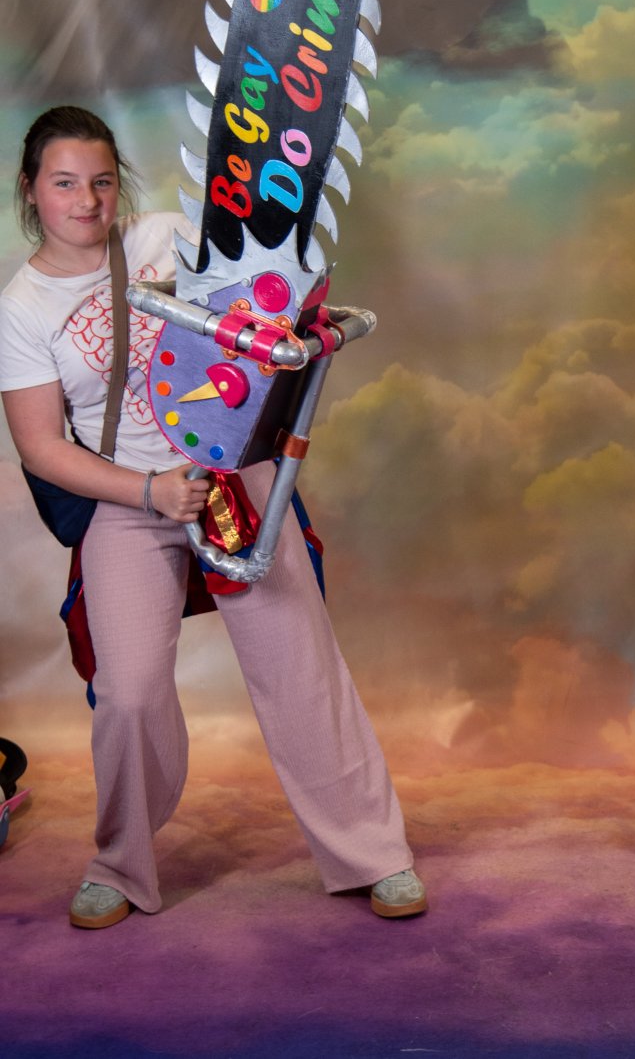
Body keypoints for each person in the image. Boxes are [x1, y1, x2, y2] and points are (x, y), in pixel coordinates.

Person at [0, 106, 425, 929]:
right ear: (30, 190)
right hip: (129, 497)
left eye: (100, 181)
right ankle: (120, 864)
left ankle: (374, 853)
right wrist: (149, 493)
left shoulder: (166, 236)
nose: (86, 201)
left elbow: (268, 298)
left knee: (299, 664)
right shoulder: (22, 308)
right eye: (64, 184)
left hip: (233, 477)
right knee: (127, 693)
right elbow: (43, 448)